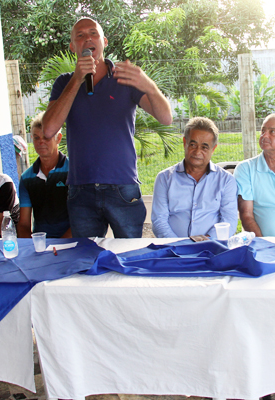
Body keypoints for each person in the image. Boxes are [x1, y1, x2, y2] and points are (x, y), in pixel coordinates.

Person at [41, 17, 172, 238]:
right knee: (86, 258)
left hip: (122, 187)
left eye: (93, 33)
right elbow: (48, 129)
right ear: (73, 46)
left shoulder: (124, 77)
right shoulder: (64, 83)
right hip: (81, 189)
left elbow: (166, 117)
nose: (87, 38)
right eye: (80, 36)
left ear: (104, 41)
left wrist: (149, 85)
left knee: (129, 255)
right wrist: (77, 79)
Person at [151, 117, 237, 238]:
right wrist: (179, 246)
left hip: (211, 248)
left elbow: (229, 221)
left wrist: (204, 243)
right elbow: (159, 221)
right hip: (173, 249)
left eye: (204, 147)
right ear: (184, 143)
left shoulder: (226, 180)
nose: (197, 152)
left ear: (213, 149)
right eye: (193, 144)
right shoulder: (164, 178)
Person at [16, 113, 71, 238]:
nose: (41, 142)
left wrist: (58, 247)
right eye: (36, 138)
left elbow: (83, 219)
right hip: (41, 244)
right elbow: (24, 224)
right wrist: (32, 247)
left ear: (58, 138)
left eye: (46, 137)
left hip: (73, 242)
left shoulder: (74, 172)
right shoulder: (26, 178)